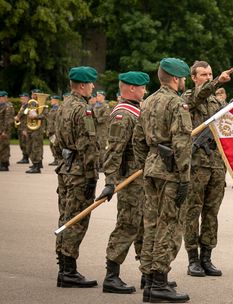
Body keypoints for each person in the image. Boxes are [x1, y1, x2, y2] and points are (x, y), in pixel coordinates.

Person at [133, 58, 191, 303]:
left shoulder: (147, 102)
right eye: (183, 78)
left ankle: (148, 277)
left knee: (151, 224)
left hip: (152, 168)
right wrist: (185, 177)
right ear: (176, 79)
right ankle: (159, 283)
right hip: (171, 172)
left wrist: (146, 163)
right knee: (169, 225)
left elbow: (138, 140)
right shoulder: (177, 104)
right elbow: (182, 142)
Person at [96, 71, 149, 294]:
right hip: (130, 180)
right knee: (128, 225)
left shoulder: (137, 110)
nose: (145, 91)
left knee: (145, 227)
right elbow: (114, 151)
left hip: (142, 178)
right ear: (131, 89)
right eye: (142, 88)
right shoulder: (123, 114)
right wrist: (110, 181)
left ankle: (148, 275)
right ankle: (111, 275)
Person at [180, 61, 233, 277]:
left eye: (210, 74)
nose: (208, 77)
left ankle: (207, 257)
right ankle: (193, 258)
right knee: (192, 211)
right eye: (203, 74)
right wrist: (217, 82)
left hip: (216, 163)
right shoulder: (188, 98)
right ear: (193, 77)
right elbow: (199, 96)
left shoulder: (216, 102)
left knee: (212, 212)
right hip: (196, 164)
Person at [55, 66, 100, 288]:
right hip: (80, 171)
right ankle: (69, 271)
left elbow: (55, 141)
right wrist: (92, 176)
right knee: (77, 219)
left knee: (65, 216)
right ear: (82, 85)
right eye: (91, 83)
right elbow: (88, 145)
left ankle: (63, 265)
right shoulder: (83, 110)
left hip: (65, 168)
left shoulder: (63, 106)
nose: (93, 87)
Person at [25, 89, 46, 173]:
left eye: (35, 95)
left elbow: (44, 116)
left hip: (38, 129)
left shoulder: (43, 105)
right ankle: (35, 163)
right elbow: (26, 116)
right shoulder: (30, 104)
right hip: (30, 129)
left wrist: (36, 116)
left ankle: (36, 166)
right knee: (29, 147)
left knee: (36, 147)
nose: (33, 96)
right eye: (32, 94)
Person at [94, 90, 111, 170]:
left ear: (103, 97)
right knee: (96, 147)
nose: (97, 97)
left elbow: (105, 117)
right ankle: (98, 164)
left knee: (103, 148)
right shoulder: (95, 106)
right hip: (96, 130)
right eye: (97, 96)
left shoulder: (105, 106)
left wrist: (96, 119)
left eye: (99, 96)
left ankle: (103, 164)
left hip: (103, 130)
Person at [46, 95, 62, 166]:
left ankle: (59, 159)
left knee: (56, 146)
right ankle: (56, 159)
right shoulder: (52, 109)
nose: (51, 101)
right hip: (51, 131)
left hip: (55, 131)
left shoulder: (59, 109)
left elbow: (58, 121)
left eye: (52, 100)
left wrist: (56, 131)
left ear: (56, 101)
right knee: (52, 145)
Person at [0, 91, 14, 171]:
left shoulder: (8, 106)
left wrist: (4, 131)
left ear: (4, 97)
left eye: (0, 97)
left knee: (4, 147)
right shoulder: (2, 106)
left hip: (4, 131)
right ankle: (2, 163)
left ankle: (4, 165)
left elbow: (8, 120)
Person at [15, 93, 30, 164]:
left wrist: (26, 129)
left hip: (24, 128)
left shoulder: (28, 106)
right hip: (20, 127)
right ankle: (24, 157)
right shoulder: (23, 106)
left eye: (23, 98)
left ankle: (26, 158)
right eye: (21, 99)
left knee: (25, 143)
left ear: (27, 98)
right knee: (21, 143)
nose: (21, 100)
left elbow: (28, 118)